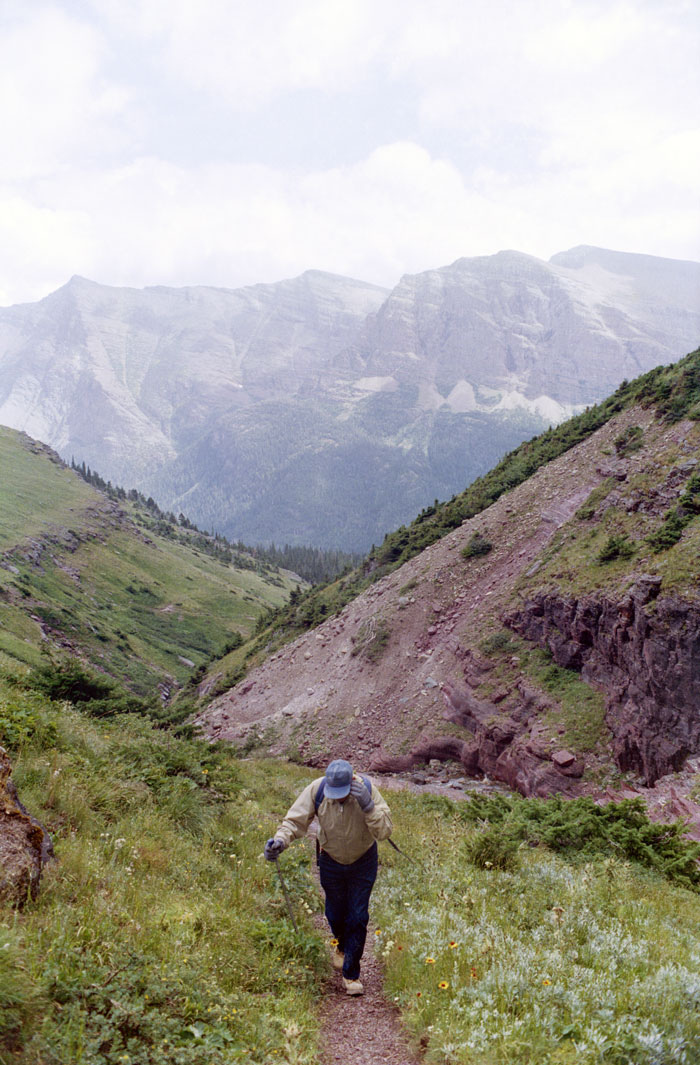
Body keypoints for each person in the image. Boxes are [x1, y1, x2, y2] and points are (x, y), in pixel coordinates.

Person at [264, 758, 393, 996]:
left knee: (358, 915)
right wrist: (280, 841)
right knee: (333, 913)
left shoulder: (367, 790)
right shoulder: (318, 789)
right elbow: (295, 820)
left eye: (342, 794)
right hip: (330, 859)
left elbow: (384, 831)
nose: (338, 797)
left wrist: (369, 807)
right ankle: (342, 946)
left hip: (363, 861)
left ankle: (351, 974)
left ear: (352, 782)